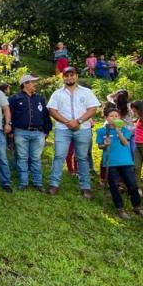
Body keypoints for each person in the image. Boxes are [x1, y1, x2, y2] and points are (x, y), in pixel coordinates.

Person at [47, 67, 100, 198]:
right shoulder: (57, 94)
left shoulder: (86, 92)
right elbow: (52, 110)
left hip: (83, 128)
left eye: (72, 75)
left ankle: (85, 187)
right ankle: (54, 184)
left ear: (76, 76)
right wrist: (67, 122)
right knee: (59, 156)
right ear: (63, 77)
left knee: (82, 157)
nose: (69, 78)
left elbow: (93, 109)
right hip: (62, 129)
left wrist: (79, 121)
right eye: (67, 75)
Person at [96, 107, 143, 220]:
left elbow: (125, 143)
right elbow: (100, 146)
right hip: (110, 163)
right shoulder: (101, 131)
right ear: (106, 118)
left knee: (132, 185)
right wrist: (104, 144)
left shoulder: (125, 130)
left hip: (125, 161)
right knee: (114, 186)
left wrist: (118, 131)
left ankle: (137, 207)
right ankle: (120, 209)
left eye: (116, 116)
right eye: (111, 116)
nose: (114, 118)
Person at [9, 74, 52, 191]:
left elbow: (45, 115)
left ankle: (38, 183)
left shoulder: (40, 98)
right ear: (25, 84)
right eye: (32, 82)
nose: (35, 84)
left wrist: (47, 130)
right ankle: (23, 182)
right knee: (22, 158)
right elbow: (9, 115)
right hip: (21, 132)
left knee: (36, 158)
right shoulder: (15, 98)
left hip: (38, 133)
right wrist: (11, 130)